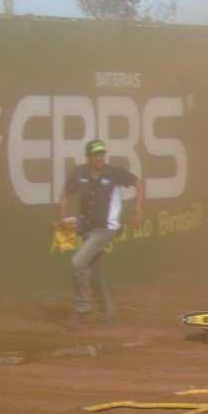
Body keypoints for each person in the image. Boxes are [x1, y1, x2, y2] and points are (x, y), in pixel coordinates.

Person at [58, 139, 145, 327]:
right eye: (95, 154)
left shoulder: (113, 173)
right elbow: (65, 193)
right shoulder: (79, 172)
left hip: (106, 229)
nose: (99, 157)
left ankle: (82, 309)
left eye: (101, 154)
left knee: (78, 263)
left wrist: (137, 212)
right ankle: (107, 313)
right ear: (88, 156)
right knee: (95, 275)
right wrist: (62, 217)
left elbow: (139, 183)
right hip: (87, 229)